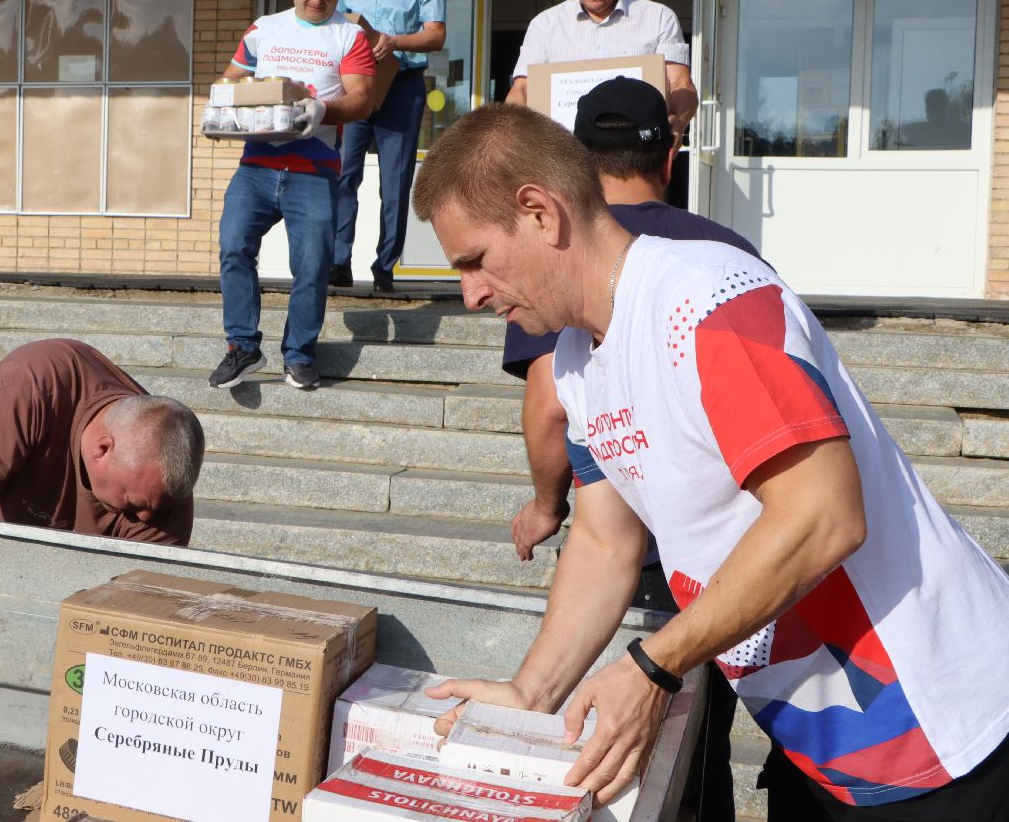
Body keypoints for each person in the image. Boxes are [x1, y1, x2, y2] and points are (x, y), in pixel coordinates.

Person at [412, 105, 1009, 819]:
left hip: (952, 730)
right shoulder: (574, 361)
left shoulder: (707, 301)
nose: (470, 294)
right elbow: (607, 540)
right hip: (827, 749)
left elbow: (824, 516)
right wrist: (531, 695)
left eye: (474, 261)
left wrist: (656, 665)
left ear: (539, 212)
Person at [501, 77, 757, 822]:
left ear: (569, 174)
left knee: (642, 773)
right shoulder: (727, 246)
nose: (479, 293)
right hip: (736, 575)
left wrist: (548, 504)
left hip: (671, 581)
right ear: (670, 154)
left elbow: (550, 405)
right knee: (700, 761)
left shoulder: (573, 256)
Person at [210, 0, 376, 392]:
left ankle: (300, 355)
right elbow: (230, 80)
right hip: (257, 165)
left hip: (313, 170)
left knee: (313, 265)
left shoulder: (349, 36)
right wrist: (224, 108)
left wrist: (321, 109)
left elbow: (363, 98)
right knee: (233, 246)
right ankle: (241, 346)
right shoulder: (265, 29)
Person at [0, 338, 205, 546]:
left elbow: (138, 604)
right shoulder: (37, 384)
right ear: (103, 449)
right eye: (134, 502)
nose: (145, 517)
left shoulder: (164, 493)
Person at [330, 0, 446, 293]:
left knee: (394, 181)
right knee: (344, 172)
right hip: (358, 84)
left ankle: (385, 267)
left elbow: (435, 35)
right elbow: (337, 30)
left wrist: (393, 40)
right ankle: (337, 261)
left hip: (404, 82)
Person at [505, 0, 698, 138]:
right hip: (565, 154)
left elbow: (680, 83)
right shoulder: (545, 24)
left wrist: (678, 122)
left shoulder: (658, 17)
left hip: (636, 150)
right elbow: (522, 89)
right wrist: (513, 135)